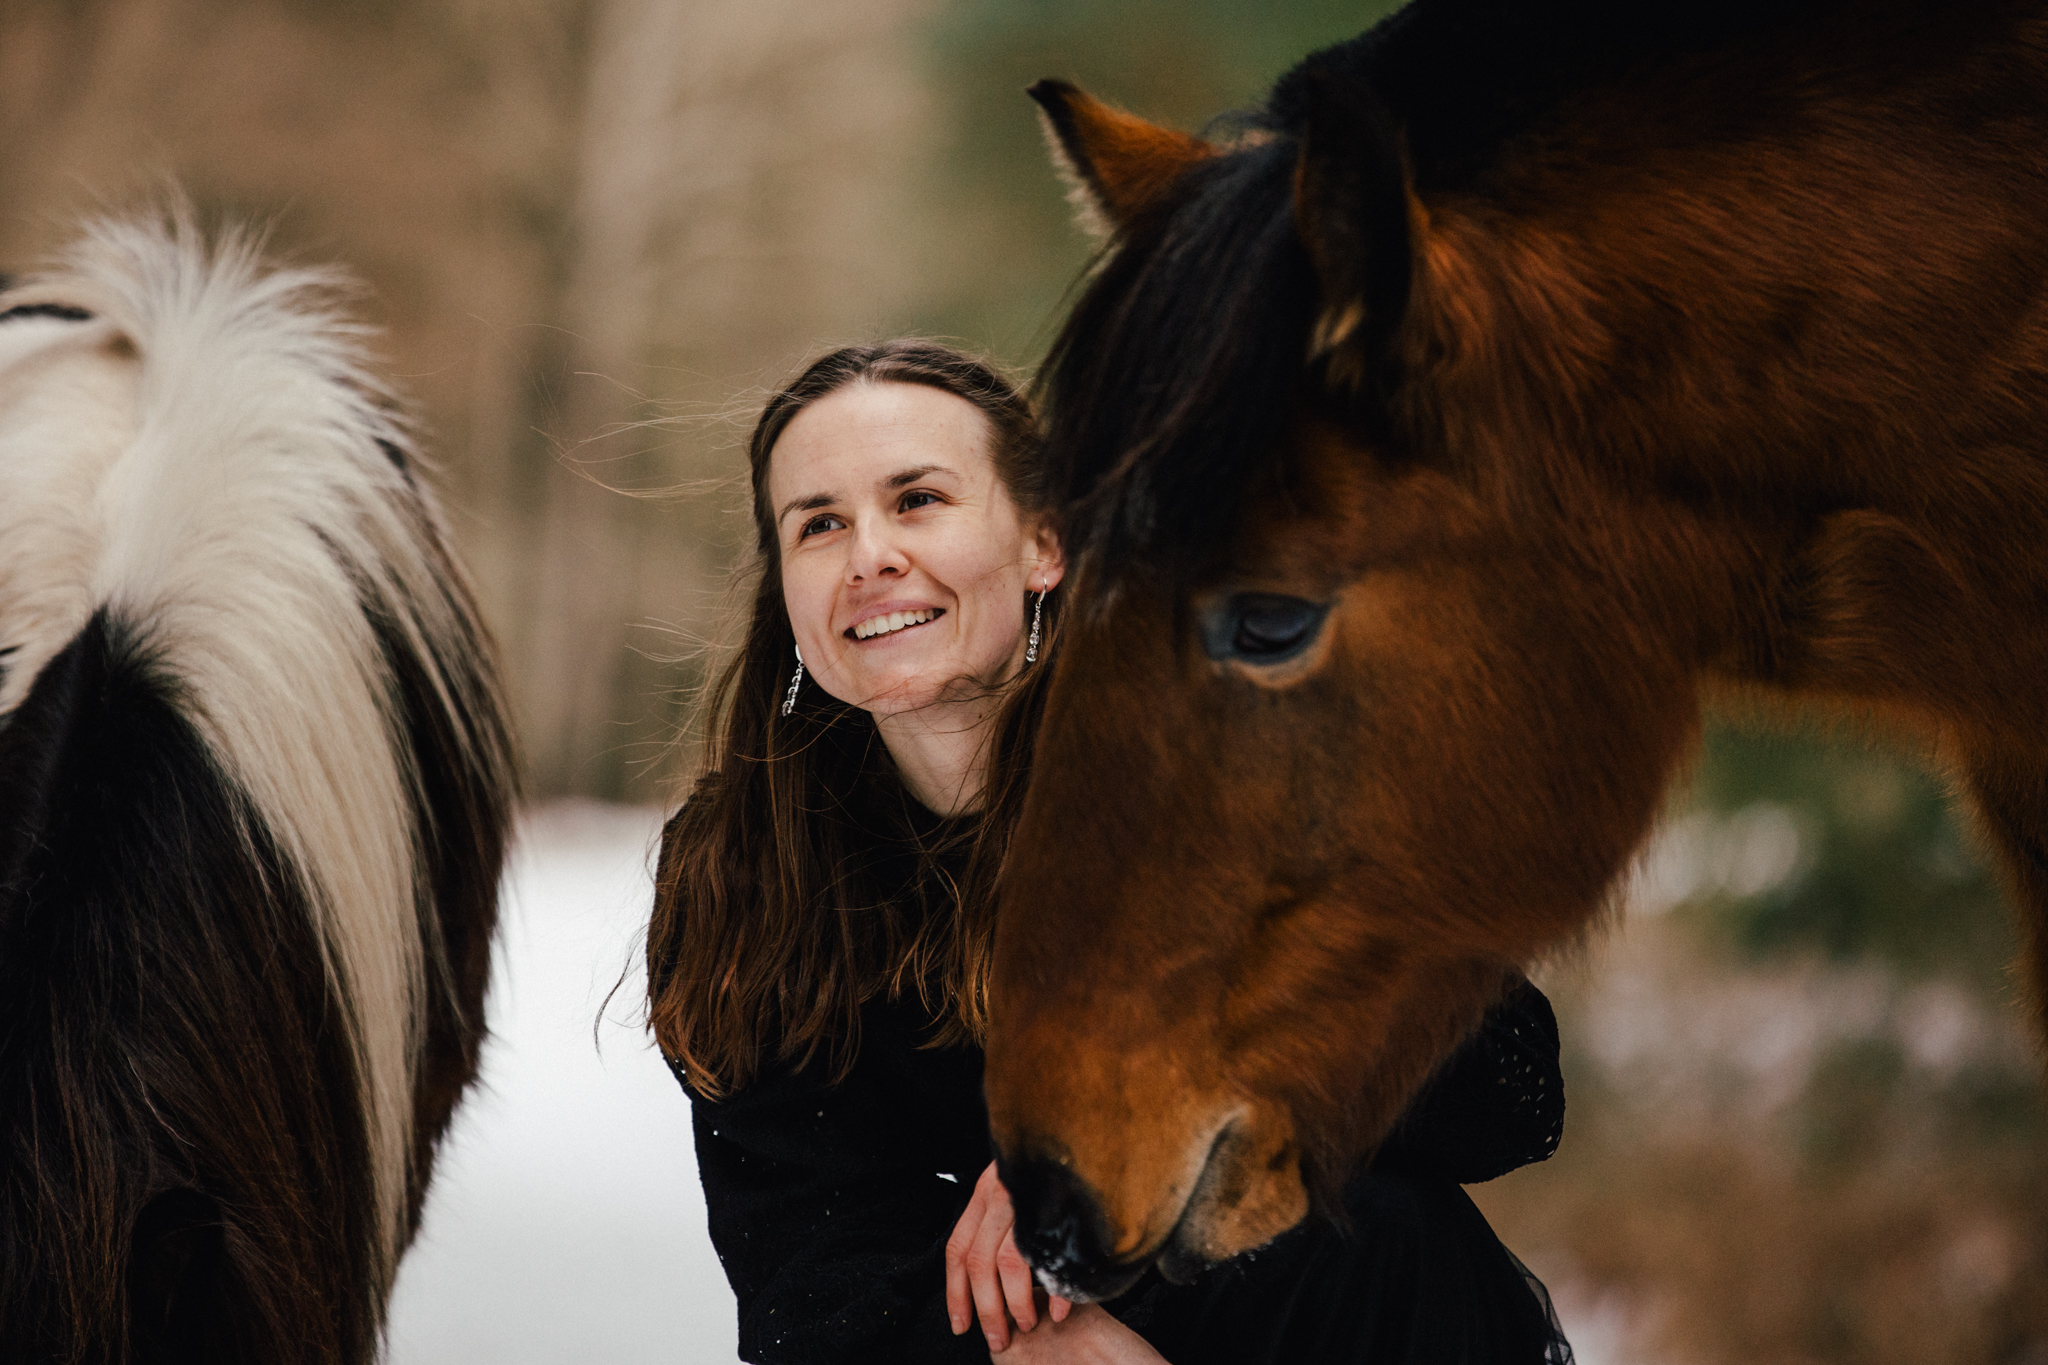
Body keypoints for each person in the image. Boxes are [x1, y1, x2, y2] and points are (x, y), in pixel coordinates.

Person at [646, 340, 1573, 1365]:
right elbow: (812, 1295)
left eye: (915, 501)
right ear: (785, 590)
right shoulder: (746, 863)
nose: (868, 555)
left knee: (1356, 1219)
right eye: (818, 524)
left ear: (1045, 543)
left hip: (1347, 1326)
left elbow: (1509, 1098)